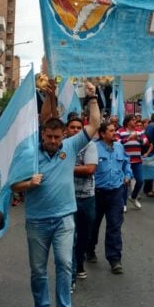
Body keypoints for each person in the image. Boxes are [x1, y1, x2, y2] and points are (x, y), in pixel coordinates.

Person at [10, 82, 100, 307]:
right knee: (38, 270)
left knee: (64, 264)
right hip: (37, 221)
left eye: (56, 137)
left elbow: (93, 124)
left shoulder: (71, 147)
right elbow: (13, 186)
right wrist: (29, 183)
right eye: (48, 137)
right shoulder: (29, 154)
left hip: (63, 219)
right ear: (42, 136)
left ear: (63, 137)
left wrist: (92, 96)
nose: (52, 141)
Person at [85, 121, 132, 274]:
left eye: (114, 130)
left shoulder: (119, 147)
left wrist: (127, 175)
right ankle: (89, 250)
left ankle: (114, 259)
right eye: (111, 131)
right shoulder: (93, 148)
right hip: (97, 193)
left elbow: (126, 163)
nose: (114, 133)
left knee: (114, 226)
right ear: (103, 133)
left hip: (116, 193)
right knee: (93, 225)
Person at [66, 116, 95, 289]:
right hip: (68, 198)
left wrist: (65, 168)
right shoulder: (62, 146)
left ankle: (80, 260)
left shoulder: (89, 145)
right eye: (72, 127)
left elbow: (90, 169)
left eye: (79, 127)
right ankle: (71, 275)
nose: (75, 130)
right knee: (70, 236)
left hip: (87, 197)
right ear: (66, 129)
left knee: (85, 235)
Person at [118, 114, 149, 211]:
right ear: (127, 121)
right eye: (133, 120)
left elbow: (145, 141)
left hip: (137, 160)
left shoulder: (139, 132)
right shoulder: (120, 131)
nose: (135, 121)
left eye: (135, 119)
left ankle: (133, 197)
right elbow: (117, 142)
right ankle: (123, 203)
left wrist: (137, 138)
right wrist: (128, 138)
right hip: (125, 161)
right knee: (125, 182)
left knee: (140, 181)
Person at [143, 113, 154, 197]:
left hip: (152, 150)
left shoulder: (151, 126)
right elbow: (148, 139)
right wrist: (151, 146)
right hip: (150, 151)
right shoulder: (152, 127)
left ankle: (147, 189)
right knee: (150, 170)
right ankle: (148, 190)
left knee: (150, 169)